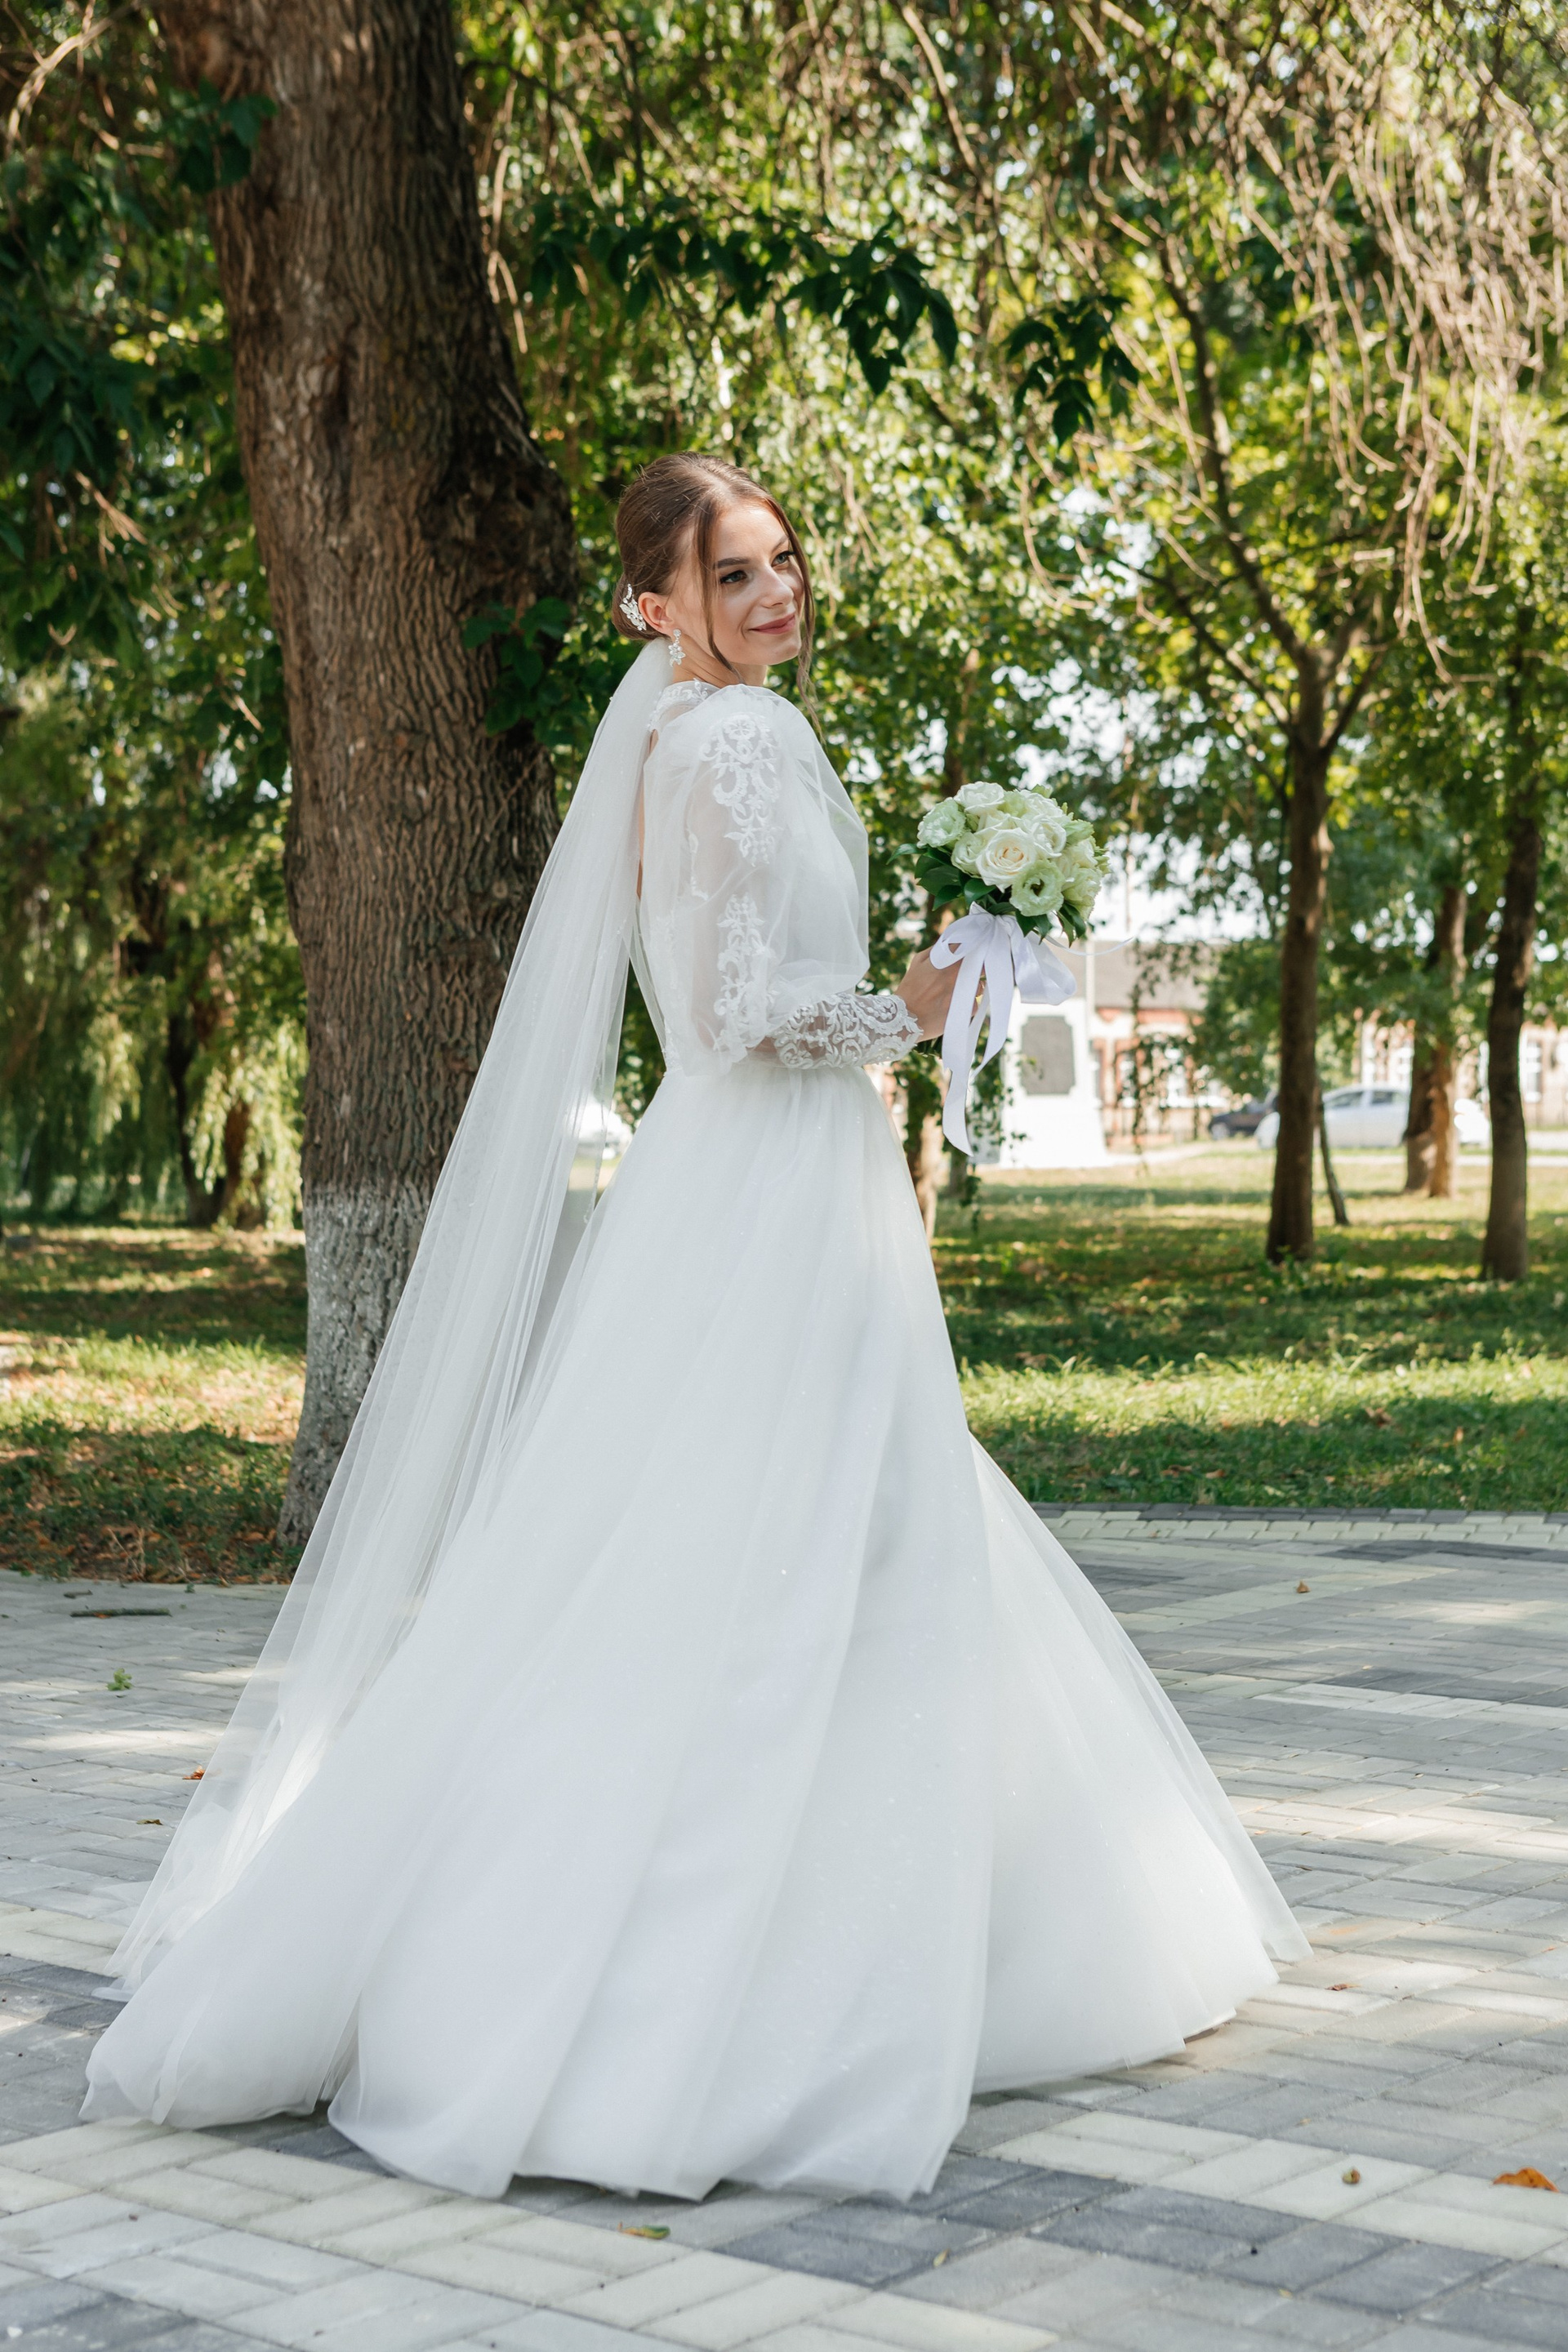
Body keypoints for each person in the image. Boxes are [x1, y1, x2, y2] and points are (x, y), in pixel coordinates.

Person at [83, 453, 1305, 2203]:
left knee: (778, 1525)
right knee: (804, 1529)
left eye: (783, 560)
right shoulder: (722, 740)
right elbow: (734, 1019)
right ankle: (747, 1997)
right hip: (771, 1176)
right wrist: (913, 1005)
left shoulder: (697, 726)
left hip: (759, 1179)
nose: (776, 592)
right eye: (734, 575)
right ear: (654, 603)